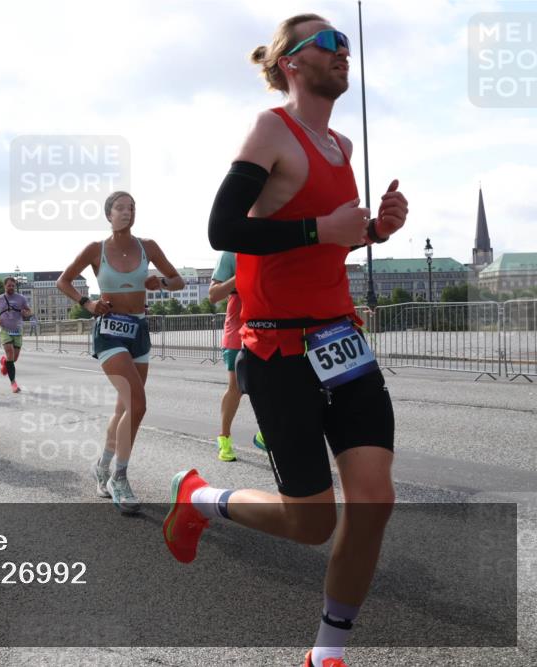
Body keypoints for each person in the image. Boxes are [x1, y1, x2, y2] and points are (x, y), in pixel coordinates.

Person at [162, 15, 408, 667]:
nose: (343, 53)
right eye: (329, 44)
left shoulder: (344, 148)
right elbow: (222, 229)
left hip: (342, 342)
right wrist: (320, 229)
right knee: (313, 524)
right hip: (276, 351)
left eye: (347, 45)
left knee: (375, 498)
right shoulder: (273, 128)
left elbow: (330, 237)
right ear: (293, 63)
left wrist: (373, 232)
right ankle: (202, 498)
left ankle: (327, 652)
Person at [57, 191, 185, 514]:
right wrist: (87, 303)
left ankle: (101, 466)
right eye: (120, 207)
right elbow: (64, 281)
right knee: (138, 404)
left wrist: (161, 284)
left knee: (122, 409)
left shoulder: (148, 247)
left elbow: (178, 280)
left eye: (132, 207)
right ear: (108, 214)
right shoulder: (95, 249)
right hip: (110, 329)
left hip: (139, 330)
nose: (127, 212)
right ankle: (120, 476)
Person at [209, 251, 266, 461]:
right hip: (237, 332)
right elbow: (213, 294)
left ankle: (265, 434)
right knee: (236, 387)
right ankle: (224, 438)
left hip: (267, 330)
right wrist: (242, 273)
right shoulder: (230, 254)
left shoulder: (272, 243)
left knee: (272, 384)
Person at [0, 276, 32, 393]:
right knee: (9, 351)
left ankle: (5, 362)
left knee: (14, 358)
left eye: (13, 285)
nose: (11, 287)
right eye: (9, 285)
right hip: (5, 330)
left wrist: (26, 312)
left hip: (18, 330)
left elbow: (29, 311)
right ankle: (13, 383)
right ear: (5, 286)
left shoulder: (21, 298)